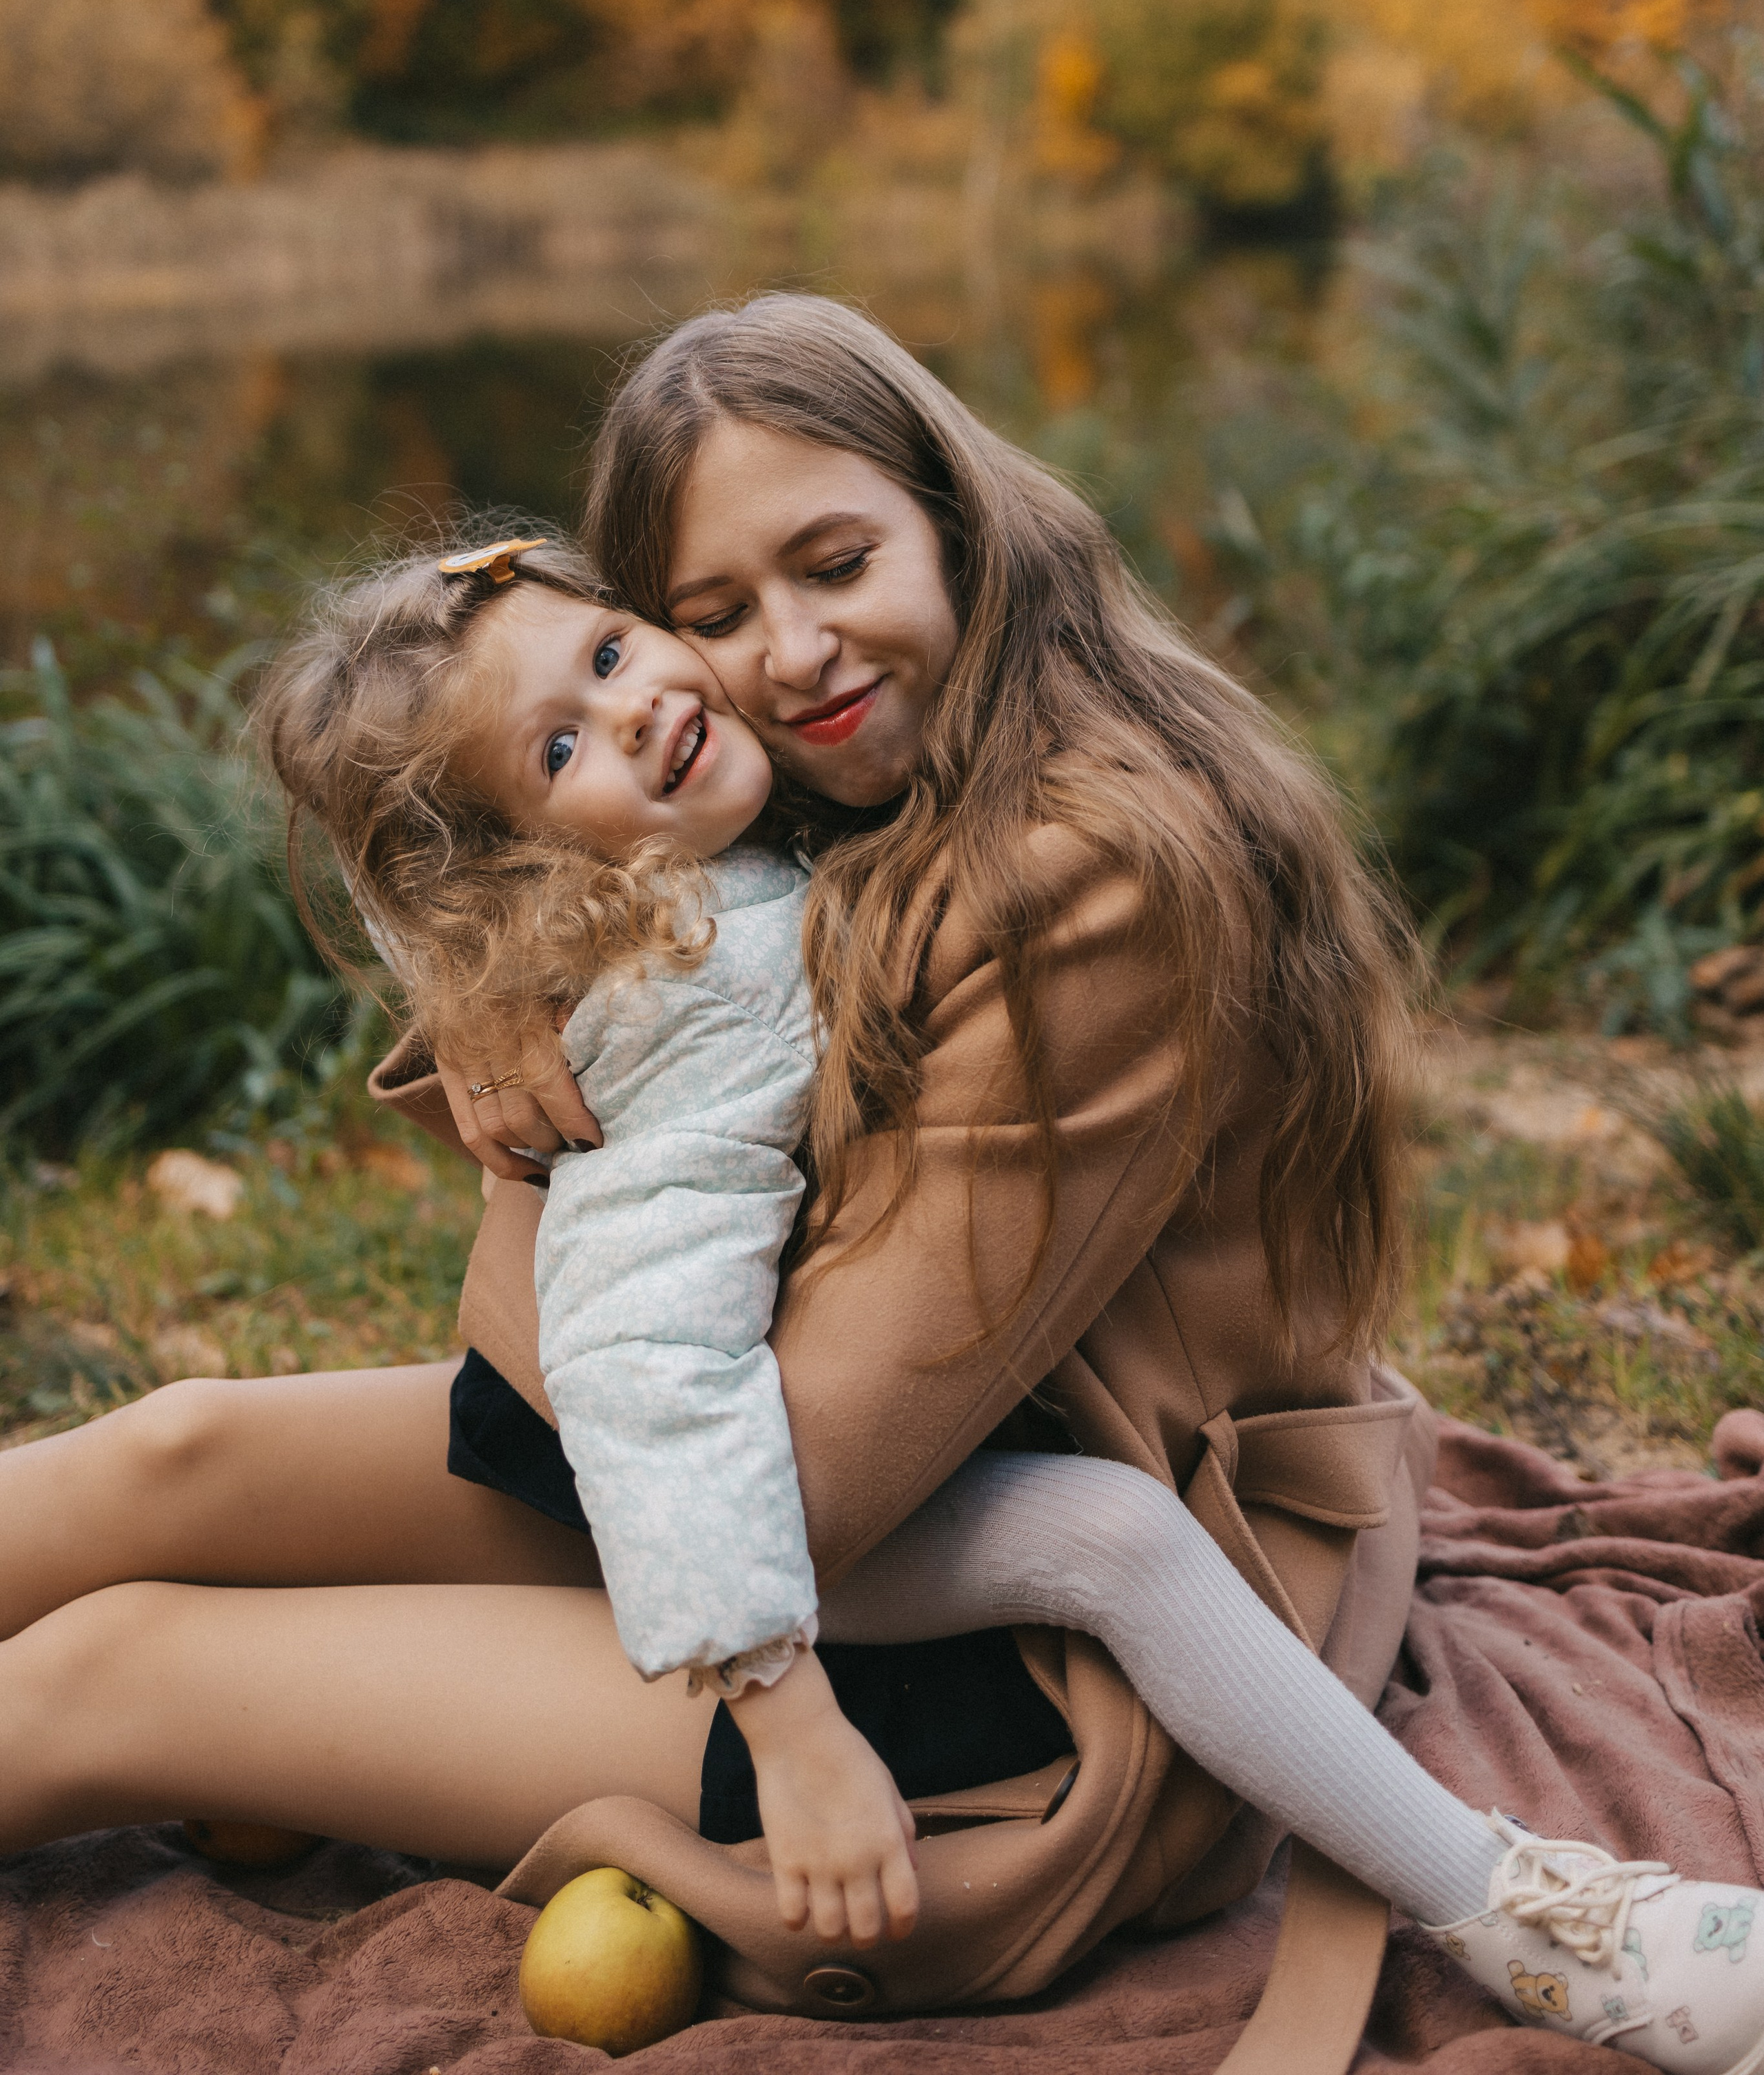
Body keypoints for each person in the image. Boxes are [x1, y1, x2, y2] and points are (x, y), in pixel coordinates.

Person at [0, 296, 1752, 2072]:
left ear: (953, 516)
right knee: (169, 1454)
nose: (788, 652)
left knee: (116, 1674)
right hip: (796, 1474)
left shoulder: (1085, 879)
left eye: (835, 563)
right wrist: (506, 989)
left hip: (999, 1674)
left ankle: (1534, 1920)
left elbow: (786, 1466)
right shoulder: (826, 783)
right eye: (709, 615)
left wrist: (550, 1144)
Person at [252, 527, 921, 1951]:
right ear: (517, 862)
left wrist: (473, 979)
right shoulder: (711, 981)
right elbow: (642, 1360)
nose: (632, 710)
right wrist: (789, 1721)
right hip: (688, 1501)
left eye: (612, 651)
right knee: (166, 1509)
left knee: (177, 1474)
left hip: (693, 1489)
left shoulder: (744, 848)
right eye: (558, 750)